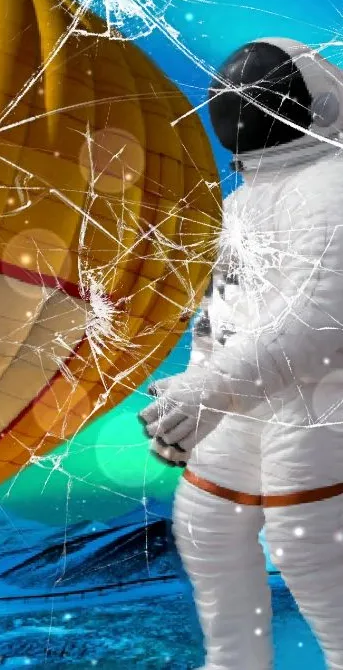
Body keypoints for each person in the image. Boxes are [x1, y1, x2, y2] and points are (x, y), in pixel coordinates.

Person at [140, 38, 343, 670]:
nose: (243, 102)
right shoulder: (243, 202)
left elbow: (318, 320)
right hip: (245, 389)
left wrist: (209, 393)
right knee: (207, 526)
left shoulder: (334, 186)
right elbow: (223, 313)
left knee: (309, 547)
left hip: (322, 397)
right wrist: (188, 400)